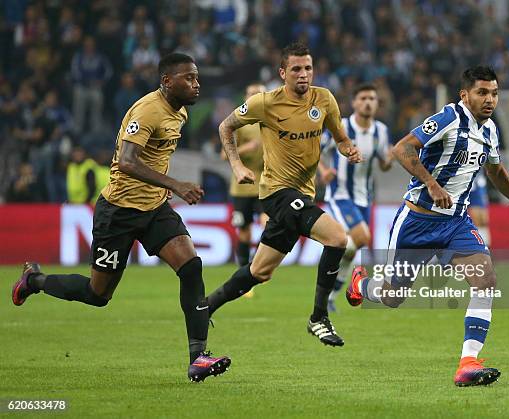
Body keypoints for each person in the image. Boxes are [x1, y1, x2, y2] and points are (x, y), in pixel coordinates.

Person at [11, 53, 230, 382]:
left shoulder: (180, 112)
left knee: (191, 267)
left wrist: (163, 188)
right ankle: (35, 281)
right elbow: (127, 162)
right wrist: (176, 185)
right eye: (189, 78)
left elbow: (154, 158)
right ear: (167, 81)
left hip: (154, 209)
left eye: (197, 78)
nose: (196, 84)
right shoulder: (147, 111)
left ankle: (198, 357)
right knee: (98, 296)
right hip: (119, 213)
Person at [345, 66, 509, 386]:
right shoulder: (449, 118)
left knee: (486, 280)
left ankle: (467, 363)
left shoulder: (490, 130)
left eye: (494, 93)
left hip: (455, 224)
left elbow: (496, 173)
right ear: (465, 95)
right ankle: (361, 285)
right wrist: (431, 185)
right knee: (393, 297)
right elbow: (402, 148)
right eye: (482, 92)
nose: (490, 99)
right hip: (416, 223)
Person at [208, 42, 363, 347]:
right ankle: (319, 317)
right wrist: (237, 165)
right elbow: (226, 126)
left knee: (259, 271)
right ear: (283, 73)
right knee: (337, 238)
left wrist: (349, 150)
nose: (303, 74)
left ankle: (204, 306)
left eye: (307, 68)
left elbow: (341, 138)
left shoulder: (325, 99)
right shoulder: (264, 102)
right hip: (276, 192)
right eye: (296, 69)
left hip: (304, 193)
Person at [318, 83, 393, 312]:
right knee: (362, 237)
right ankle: (352, 285)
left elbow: (384, 164)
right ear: (354, 103)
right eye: (363, 98)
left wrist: (391, 157)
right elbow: (314, 150)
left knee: (351, 248)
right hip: (340, 194)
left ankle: (330, 295)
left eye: (372, 98)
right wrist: (323, 171)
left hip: (364, 198)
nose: (368, 102)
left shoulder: (381, 130)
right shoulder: (340, 126)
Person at [222, 83, 269, 268]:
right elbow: (224, 155)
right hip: (241, 187)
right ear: (245, 97)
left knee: (269, 224)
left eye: (259, 94)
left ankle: (258, 265)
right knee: (245, 232)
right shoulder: (239, 124)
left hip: (266, 185)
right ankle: (243, 271)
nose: (255, 97)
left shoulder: (272, 122)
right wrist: (246, 148)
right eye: (251, 94)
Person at [467, 172, 490, 246]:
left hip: (479, 184)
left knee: (483, 220)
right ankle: (479, 245)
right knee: (477, 219)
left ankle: (484, 245)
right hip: (471, 182)